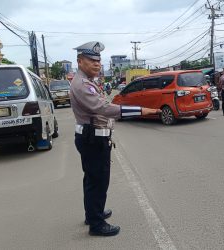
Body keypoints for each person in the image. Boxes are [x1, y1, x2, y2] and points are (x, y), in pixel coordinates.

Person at [70, 41, 161, 237]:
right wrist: (140, 110)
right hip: (92, 139)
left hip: (92, 137)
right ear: (80, 61)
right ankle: (96, 223)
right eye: (91, 60)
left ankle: (93, 213)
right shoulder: (81, 84)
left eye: (98, 60)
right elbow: (103, 108)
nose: (97, 64)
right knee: (98, 180)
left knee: (93, 179)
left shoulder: (87, 81)